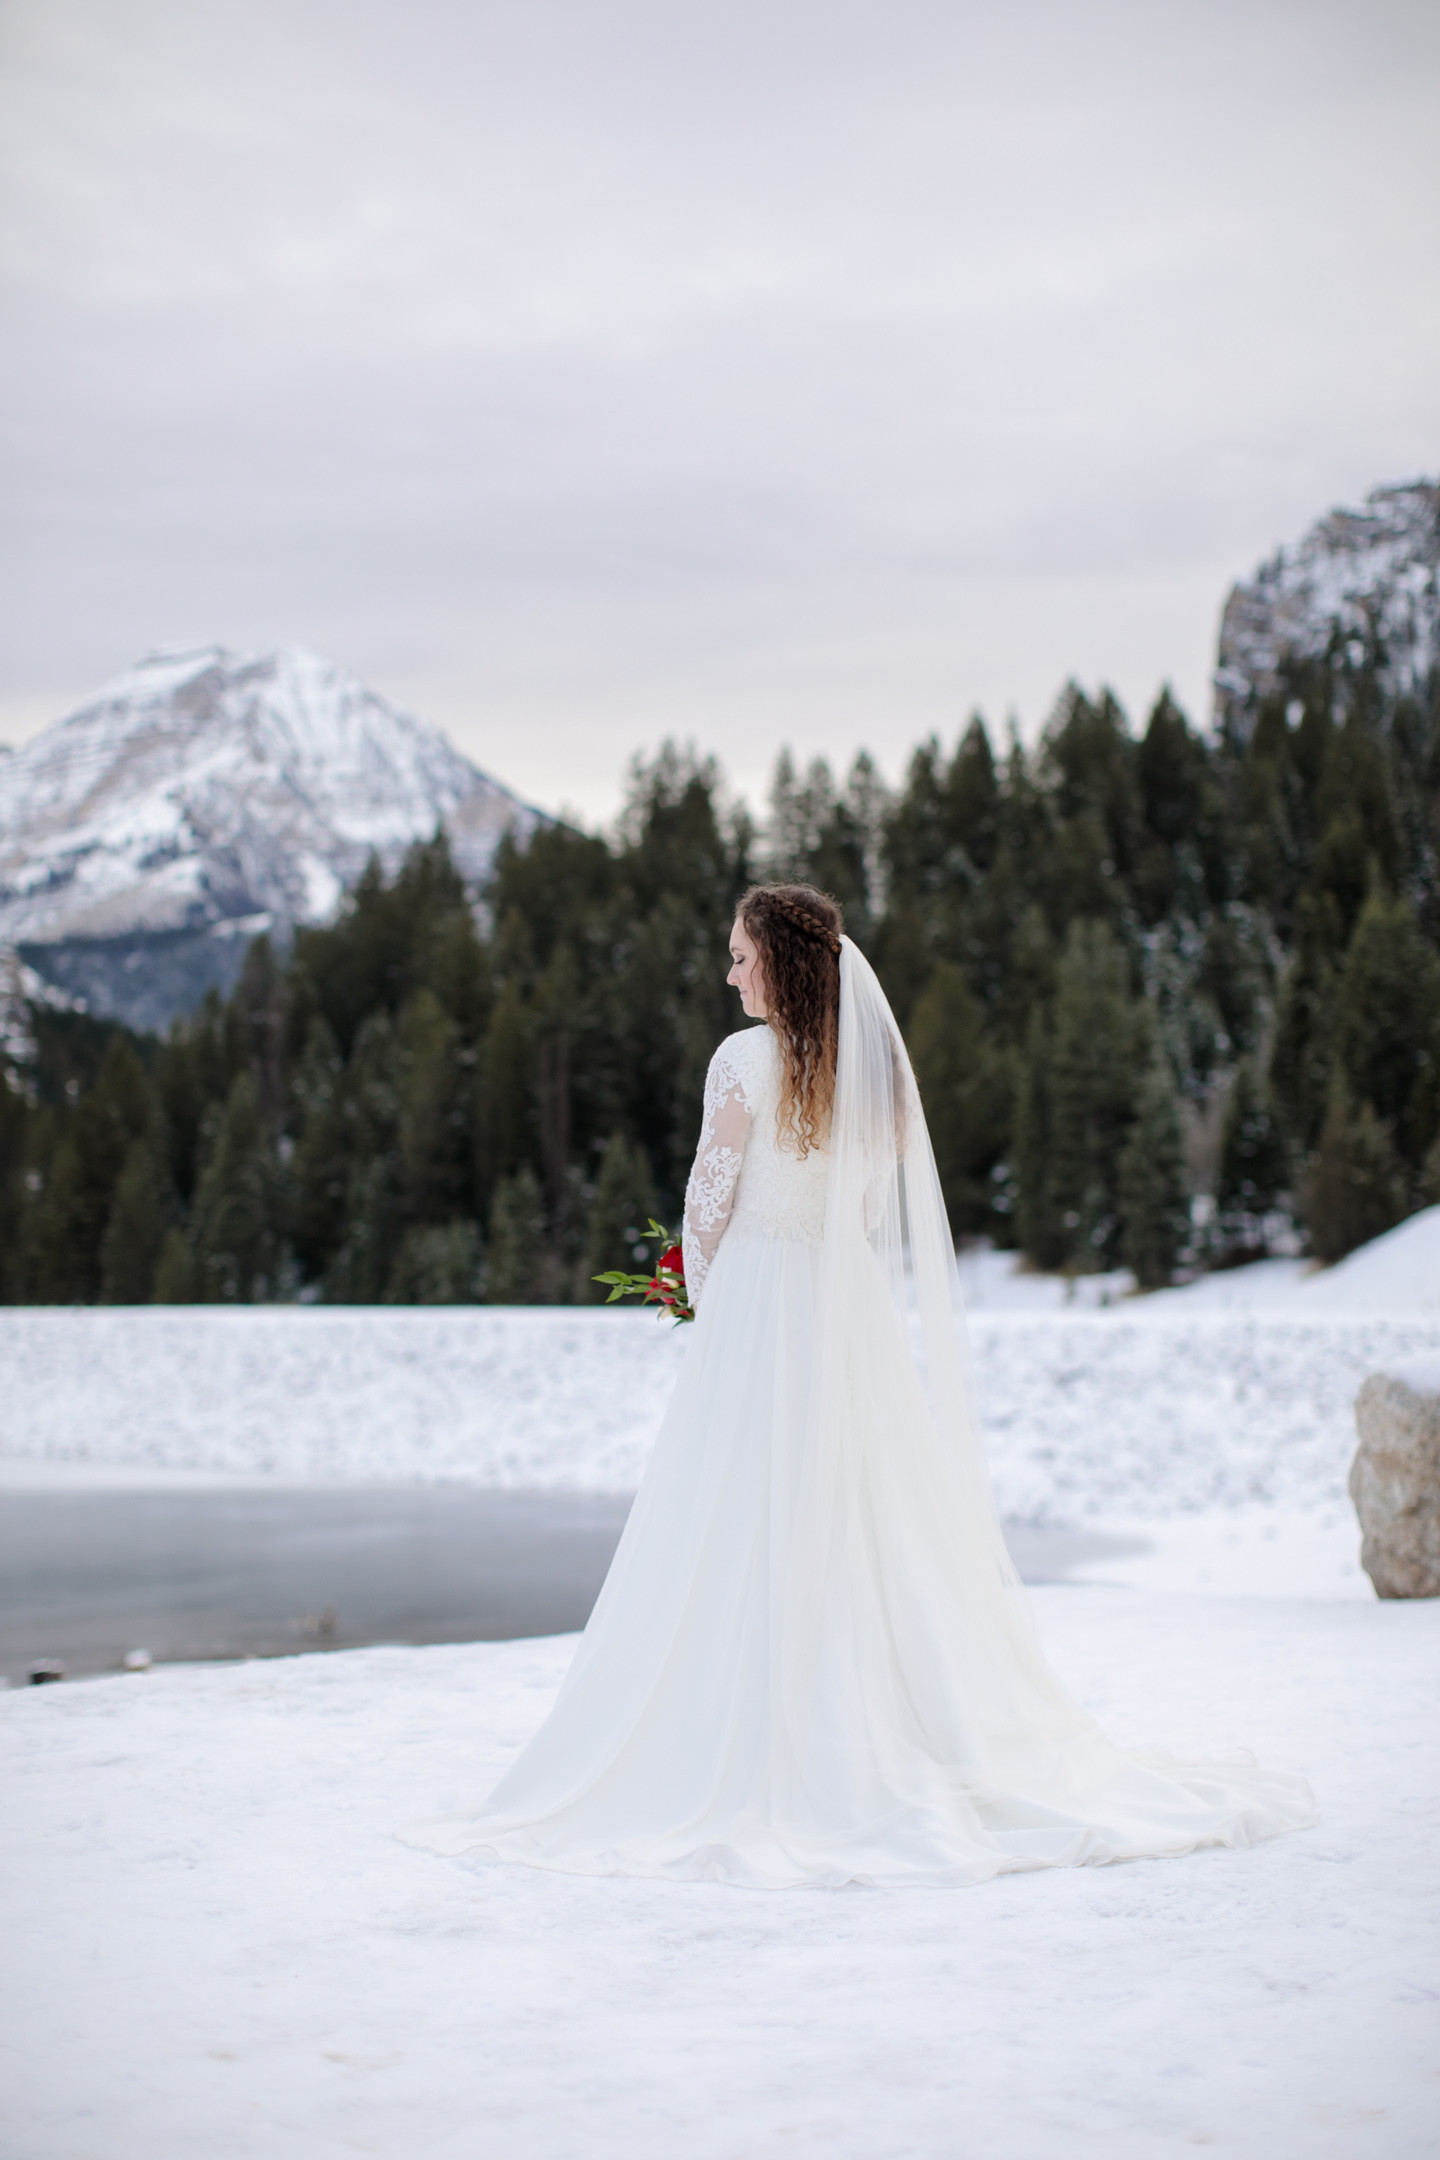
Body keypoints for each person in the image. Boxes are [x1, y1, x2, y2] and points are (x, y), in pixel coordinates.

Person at [402, 883, 1314, 1888]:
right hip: (846, 1316)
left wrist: (690, 1295)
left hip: (760, 1309)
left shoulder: (741, 1063)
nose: (730, 974)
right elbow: (872, 1209)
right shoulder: (875, 1077)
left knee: (739, 1511)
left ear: (780, 963)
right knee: (863, 1515)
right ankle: (884, 1715)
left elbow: (707, 1208)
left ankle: (744, 1734)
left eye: (742, 956)